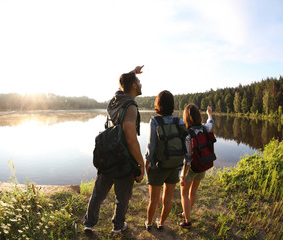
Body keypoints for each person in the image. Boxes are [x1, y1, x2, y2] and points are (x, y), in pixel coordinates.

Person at [83, 65, 145, 233]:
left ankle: (89, 223)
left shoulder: (115, 100)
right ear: (133, 86)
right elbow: (131, 139)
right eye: (138, 81)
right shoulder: (130, 107)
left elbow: (121, 86)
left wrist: (132, 72)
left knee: (98, 193)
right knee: (122, 195)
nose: (140, 84)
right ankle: (118, 226)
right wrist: (141, 163)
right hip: (122, 158)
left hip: (107, 153)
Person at [145, 90, 186, 230]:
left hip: (158, 166)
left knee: (154, 200)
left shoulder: (155, 121)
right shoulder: (179, 121)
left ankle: (149, 224)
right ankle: (161, 223)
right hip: (174, 165)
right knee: (167, 200)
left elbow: (152, 145)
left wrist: (147, 162)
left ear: (158, 104)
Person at [178, 104, 214, 229]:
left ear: (186, 118)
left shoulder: (188, 134)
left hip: (192, 168)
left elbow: (188, 159)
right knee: (193, 192)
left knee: (184, 194)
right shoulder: (205, 129)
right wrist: (209, 114)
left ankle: (187, 221)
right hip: (203, 164)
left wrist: (183, 175)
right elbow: (211, 123)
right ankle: (185, 212)